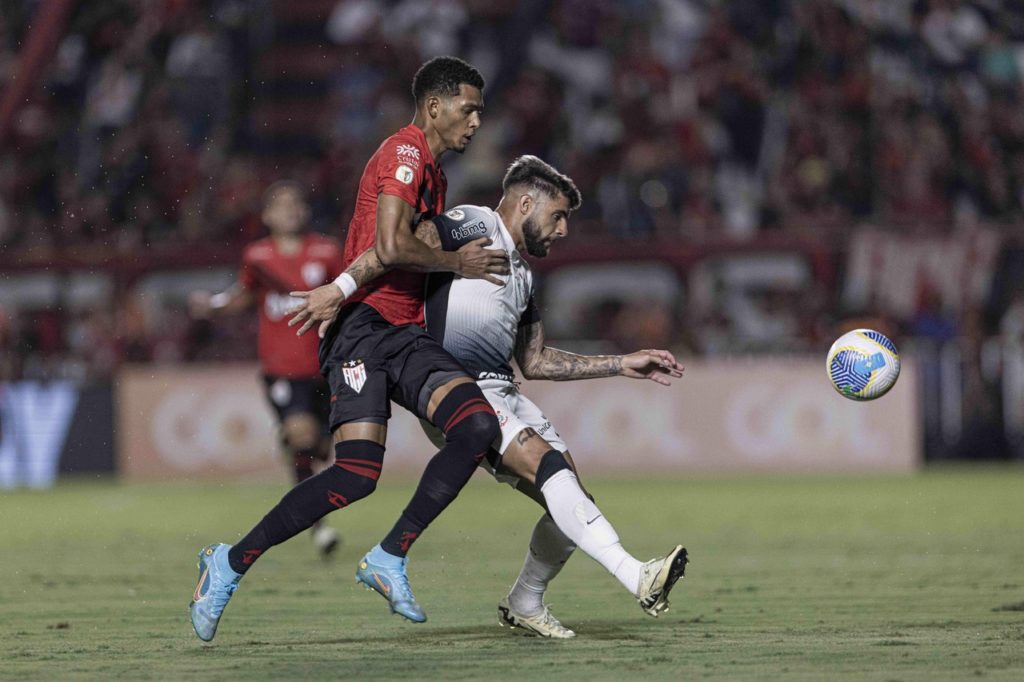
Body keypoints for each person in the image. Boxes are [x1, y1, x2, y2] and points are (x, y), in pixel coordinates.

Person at [189, 56, 508, 642]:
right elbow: (389, 245)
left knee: (478, 427)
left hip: (405, 334)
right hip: (363, 332)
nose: (477, 122)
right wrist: (456, 260)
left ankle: (389, 557)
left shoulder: (432, 174)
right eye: (470, 108)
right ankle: (228, 563)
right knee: (357, 475)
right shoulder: (406, 154)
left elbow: (385, 251)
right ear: (435, 107)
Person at [316, 155, 689, 638]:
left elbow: (534, 362)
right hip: (457, 388)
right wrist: (340, 289)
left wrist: (621, 363)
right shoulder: (475, 223)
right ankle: (637, 576)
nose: (563, 230)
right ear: (526, 202)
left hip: (504, 390)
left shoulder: (524, 276)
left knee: (572, 498)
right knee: (552, 474)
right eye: (557, 216)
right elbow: (397, 247)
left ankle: (523, 601)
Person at [189, 180, 343, 558]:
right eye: (281, 204)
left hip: (324, 365)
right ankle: (318, 526)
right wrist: (213, 305)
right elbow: (242, 295)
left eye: (296, 202)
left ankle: (299, 455)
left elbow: (345, 292)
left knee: (320, 448)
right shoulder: (257, 256)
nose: (290, 209)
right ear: (268, 216)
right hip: (282, 369)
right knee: (303, 436)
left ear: (304, 211)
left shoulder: (326, 250)